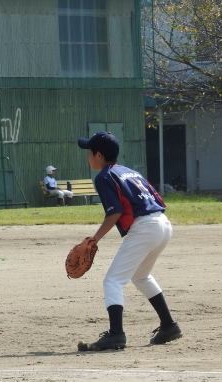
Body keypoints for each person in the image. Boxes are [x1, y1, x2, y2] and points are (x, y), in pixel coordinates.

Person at [74, 131, 182, 351]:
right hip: (162, 224)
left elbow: (115, 212)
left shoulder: (104, 176)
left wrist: (94, 240)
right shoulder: (130, 172)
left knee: (113, 281)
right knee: (141, 276)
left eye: (89, 152)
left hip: (145, 228)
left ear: (99, 155)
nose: (88, 156)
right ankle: (169, 326)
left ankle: (116, 334)